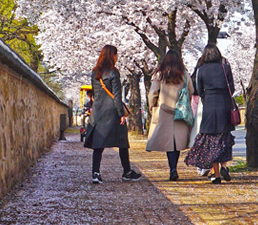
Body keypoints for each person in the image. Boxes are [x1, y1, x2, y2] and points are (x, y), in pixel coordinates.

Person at [84, 44, 143, 183]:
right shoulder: (113, 72)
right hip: (112, 111)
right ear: (112, 56)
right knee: (122, 141)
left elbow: (95, 94)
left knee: (99, 143)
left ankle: (95, 173)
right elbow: (117, 95)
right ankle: (127, 171)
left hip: (98, 110)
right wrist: (121, 113)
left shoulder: (95, 73)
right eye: (116, 55)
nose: (117, 57)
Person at [185, 43, 236, 183]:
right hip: (224, 104)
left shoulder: (201, 70)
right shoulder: (225, 68)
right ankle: (225, 166)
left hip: (209, 105)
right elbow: (232, 87)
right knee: (224, 136)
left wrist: (207, 98)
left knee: (211, 139)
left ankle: (216, 175)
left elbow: (199, 90)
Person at [146, 49, 195, 181]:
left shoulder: (159, 75)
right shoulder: (184, 74)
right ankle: (174, 168)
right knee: (177, 142)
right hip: (180, 111)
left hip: (164, 111)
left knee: (169, 143)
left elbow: (153, 93)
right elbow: (191, 90)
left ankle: (172, 169)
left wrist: (152, 105)